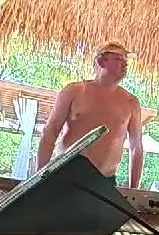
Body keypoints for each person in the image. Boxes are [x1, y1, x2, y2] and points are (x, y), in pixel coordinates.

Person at [36, 42, 145, 188]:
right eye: (120, 59)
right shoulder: (73, 91)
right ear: (101, 61)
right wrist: (39, 177)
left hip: (104, 181)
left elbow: (136, 147)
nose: (125, 64)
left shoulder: (131, 103)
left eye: (126, 61)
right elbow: (50, 131)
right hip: (65, 174)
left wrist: (134, 189)